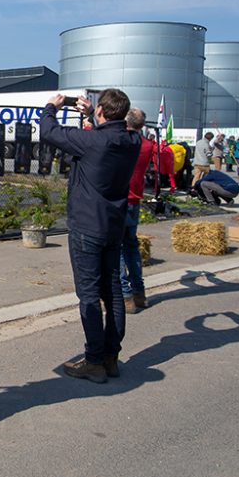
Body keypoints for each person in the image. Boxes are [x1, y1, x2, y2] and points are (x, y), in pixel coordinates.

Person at [40, 89, 141, 383]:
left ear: (100, 111)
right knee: (113, 294)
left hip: (87, 226)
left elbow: (49, 131)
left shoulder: (92, 141)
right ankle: (110, 356)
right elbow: (107, 135)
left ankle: (94, 360)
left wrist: (51, 106)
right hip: (113, 225)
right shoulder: (132, 140)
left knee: (88, 296)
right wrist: (89, 117)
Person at [119, 108, 155, 314]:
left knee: (117, 251)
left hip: (121, 200)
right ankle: (139, 293)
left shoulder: (124, 143)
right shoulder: (147, 145)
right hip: (135, 199)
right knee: (131, 248)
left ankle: (125, 296)